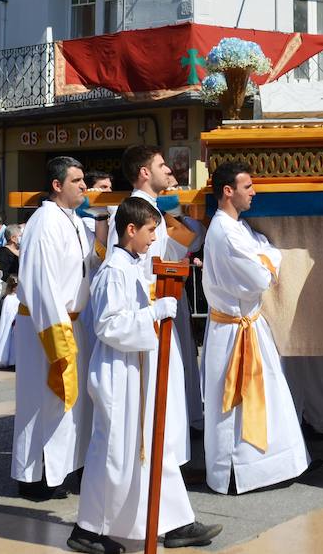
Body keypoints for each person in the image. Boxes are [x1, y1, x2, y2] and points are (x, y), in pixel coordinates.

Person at [69, 196, 221, 553]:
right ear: (131, 230)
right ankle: (89, 529)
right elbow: (108, 325)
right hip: (120, 373)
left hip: (138, 370)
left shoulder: (133, 265)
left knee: (152, 447)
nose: (156, 237)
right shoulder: (113, 271)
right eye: (152, 230)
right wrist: (153, 314)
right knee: (116, 452)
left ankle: (175, 521)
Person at [201, 161, 310, 494]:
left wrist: (265, 256)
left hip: (247, 325)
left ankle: (267, 465)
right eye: (248, 187)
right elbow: (261, 277)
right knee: (236, 403)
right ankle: (236, 472)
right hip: (234, 329)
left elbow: (263, 246)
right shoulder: (224, 233)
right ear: (228, 191)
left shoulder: (239, 228)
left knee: (266, 394)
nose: (254, 192)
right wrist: (268, 259)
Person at [13, 156, 93, 501]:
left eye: (84, 179)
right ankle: (35, 476)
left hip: (69, 322)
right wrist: (58, 337)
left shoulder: (73, 220)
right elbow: (42, 282)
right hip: (48, 325)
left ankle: (61, 469)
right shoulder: (45, 222)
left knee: (67, 404)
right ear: (57, 185)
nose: (84, 186)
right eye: (76, 180)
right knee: (44, 401)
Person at [124, 144, 198, 459]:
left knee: (168, 388)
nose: (169, 170)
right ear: (144, 172)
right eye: (161, 165)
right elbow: (138, 269)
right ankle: (158, 462)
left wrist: (183, 214)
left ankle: (166, 462)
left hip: (162, 305)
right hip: (147, 312)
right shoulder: (134, 211)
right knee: (154, 390)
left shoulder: (153, 211)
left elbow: (182, 246)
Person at [0, 274, 20, 369]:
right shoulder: (8, 299)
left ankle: (14, 360)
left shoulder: (18, 298)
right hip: (9, 325)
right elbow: (5, 316)